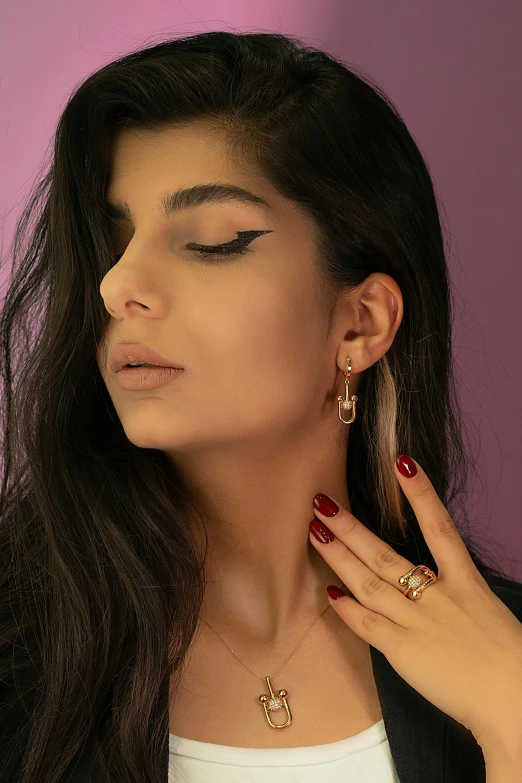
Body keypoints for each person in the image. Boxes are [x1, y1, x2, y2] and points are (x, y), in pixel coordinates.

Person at [0, 30, 521, 783]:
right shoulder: (20, 658)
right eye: (113, 244)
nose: (118, 285)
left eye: (211, 241)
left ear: (360, 324)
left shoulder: (511, 663)